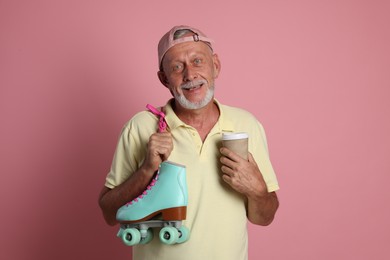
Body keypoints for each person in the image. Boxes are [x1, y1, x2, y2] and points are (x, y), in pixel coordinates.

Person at [98, 25, 280, 260]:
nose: (190, 75)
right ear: (164, 78)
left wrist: (257, 191)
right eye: (177, 67)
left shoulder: (246, 125)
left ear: (215, 66)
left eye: (197, 61)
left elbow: (264, 218)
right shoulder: (140, 127)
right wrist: (146, 170)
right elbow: (109, 213)